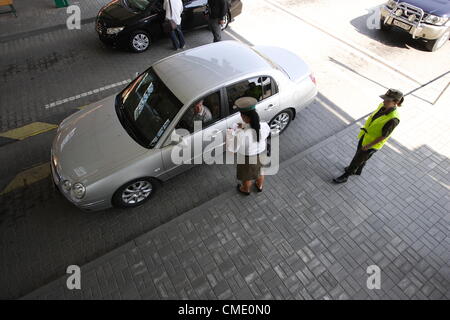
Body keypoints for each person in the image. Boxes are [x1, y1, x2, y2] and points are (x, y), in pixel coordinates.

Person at [333, 89, 404, 184]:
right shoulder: (382, 106)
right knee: (361, 157)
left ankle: (346, 176)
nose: (384, 101)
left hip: (371, 144)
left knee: (357, 159)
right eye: (384, 99)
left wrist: (369, 145)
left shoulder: (393, 119)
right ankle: (358, 171)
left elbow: (384, 136)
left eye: (387, 100)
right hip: (365, 136)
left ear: (395, 102)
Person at [228, 97, 271, 195]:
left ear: (245, 117)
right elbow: (262, 132)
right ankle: (259, 186)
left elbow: (232, 149)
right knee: (260, 171)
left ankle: (245, 189)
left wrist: (230, 134)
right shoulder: (264, 126)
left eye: (241, 115)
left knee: (246, 176)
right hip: (262, 154)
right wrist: (245, 126)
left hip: (247, 159)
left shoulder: (241, 134)